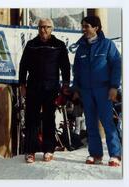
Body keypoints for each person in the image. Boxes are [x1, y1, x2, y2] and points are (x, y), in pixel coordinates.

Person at [19, 18, 70, 163]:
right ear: (38, 29)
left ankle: (49, 149)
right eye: (41, 27)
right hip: (33, 87)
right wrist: (22, 85)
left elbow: (65, 67)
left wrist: (65, 85)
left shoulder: (59, 45)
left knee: (49, 119)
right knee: (31, 119)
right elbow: (23, 66)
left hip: (51, 87)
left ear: (52, 29)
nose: (44, 30)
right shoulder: (31, 45)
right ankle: (30, 151)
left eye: (47, 27)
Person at [72, 16, 122, 167]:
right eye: (83, 26)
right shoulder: (81, 47)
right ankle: (95, 154)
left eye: (87, 26)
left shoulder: (107, 45)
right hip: (86, 91)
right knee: (90, 122)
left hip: (104, 89)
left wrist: (114, 86)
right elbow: (77, 70)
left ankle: (115, 155)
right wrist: (76, 89)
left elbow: (116, 66)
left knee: (107, 122)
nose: (84, 29)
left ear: (96, 28)